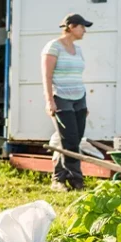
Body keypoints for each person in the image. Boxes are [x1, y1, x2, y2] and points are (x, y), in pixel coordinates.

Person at [42, 13, 93, 192]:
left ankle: (60, 178)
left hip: (79, 98)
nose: (84, 30)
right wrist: (49, 101)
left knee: (74, 140)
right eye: (82, 26)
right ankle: (75, 180)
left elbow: (77, 76)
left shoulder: (78, 50)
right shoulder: (53, 47)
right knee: (70, 139)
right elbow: (47, 76)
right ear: (71, 26)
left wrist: (84, 103)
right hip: (61, 98)